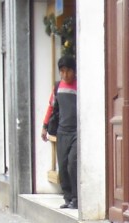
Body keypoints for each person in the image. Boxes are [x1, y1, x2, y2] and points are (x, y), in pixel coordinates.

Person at [40, 55, 78, 209]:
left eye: (67, 71)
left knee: (72, 164)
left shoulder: (79, 86)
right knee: (62, 166)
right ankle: (67, 197)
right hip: (62, 132)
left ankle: (76, 197)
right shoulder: (57, 87)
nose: (64, 75)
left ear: (73, 71)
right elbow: (51, 106)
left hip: (76, 132)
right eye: (61, 72)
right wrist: (44, 126)